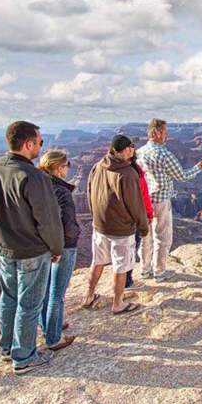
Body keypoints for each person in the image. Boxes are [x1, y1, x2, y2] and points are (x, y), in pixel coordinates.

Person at [0, 121, 63, 375]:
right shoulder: (34, 177)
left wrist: (1, 233)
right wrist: (56, 247)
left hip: (4, 249)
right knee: (29, 304)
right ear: (28, 143)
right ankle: (23, 357)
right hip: (32, 251)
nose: (40, 147)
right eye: (39, 143)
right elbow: (48, 221)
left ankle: (6, 347)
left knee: (9, 296)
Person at [82, 134, 148, 314]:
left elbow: (89, 192)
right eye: (131, 147)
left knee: (97, 261)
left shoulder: (98, 166)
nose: (133, 150)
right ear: (127, 149)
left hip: (100, 225)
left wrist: (95, 216)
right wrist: (143, 227)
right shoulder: (127, 173)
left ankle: (89, 296)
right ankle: (118, 304)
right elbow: (136, 204)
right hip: (121, 229)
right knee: (121, 266)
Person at [137, 118, 202, 281]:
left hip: (144, 200)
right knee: (162, 236)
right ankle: (159, 272)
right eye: (165, 132)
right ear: (156, 133)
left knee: (146, 236)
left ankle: (144, 269)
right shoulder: (164, 154)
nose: (167, 135)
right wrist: (198, 168)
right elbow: (182, 176)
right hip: (161, 200)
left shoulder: (139, 152)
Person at [38, 150, 79, 351]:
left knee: (45, 291)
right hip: (64, 245)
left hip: (44, 244)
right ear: (58, 168)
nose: (67, 170)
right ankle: (54, 338)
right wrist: (74, 235)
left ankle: (48, 326)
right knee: (57, 293)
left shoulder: (40, 186)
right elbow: (67, 222)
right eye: (66, 166)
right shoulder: (61, 191)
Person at [124, 150, 154, 290]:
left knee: (126, 249)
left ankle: (124, 278)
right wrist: (148, 214)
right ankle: (126, 280)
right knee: (132, 247)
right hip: (134, 217)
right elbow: (144, 195)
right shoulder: (136, 172)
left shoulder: (113, 169)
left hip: (121, 217)